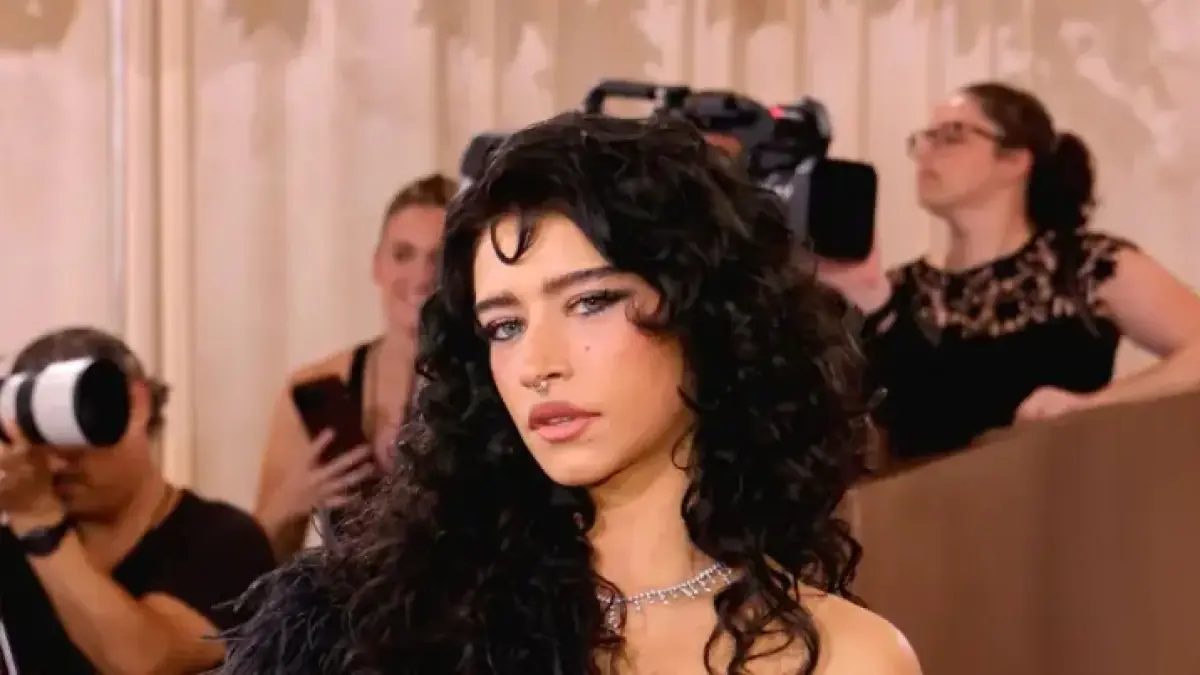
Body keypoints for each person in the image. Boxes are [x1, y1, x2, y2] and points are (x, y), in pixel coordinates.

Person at [221, 113, 920, 674]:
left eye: (590, 303)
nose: (537, 363)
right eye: (505, 325)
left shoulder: (846, 657)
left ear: (706, 315)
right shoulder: (373, 629)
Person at [820, 81, 1200, 460]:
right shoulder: (896, 290)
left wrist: (1093, 406)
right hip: (929, 499)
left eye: (952, 136)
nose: (927, 153)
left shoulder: (1083, 266)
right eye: (924, 138)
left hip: (1062, 491)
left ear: (1014, 161)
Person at [0, 327, 276, 675]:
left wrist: (38, 519)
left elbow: (147, 662)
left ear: (136, 406)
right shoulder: (12, 551)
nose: (56, 462)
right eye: (37, 436)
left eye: (72, 434)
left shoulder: (224, 541)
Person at [254, 173, 457, 560]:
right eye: (403, 254)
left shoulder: (494, 382)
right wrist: (293, 499)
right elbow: (260, 558)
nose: (422, 276)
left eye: (440, 258)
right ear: (377, 265)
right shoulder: (316, 387)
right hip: (348, 597)